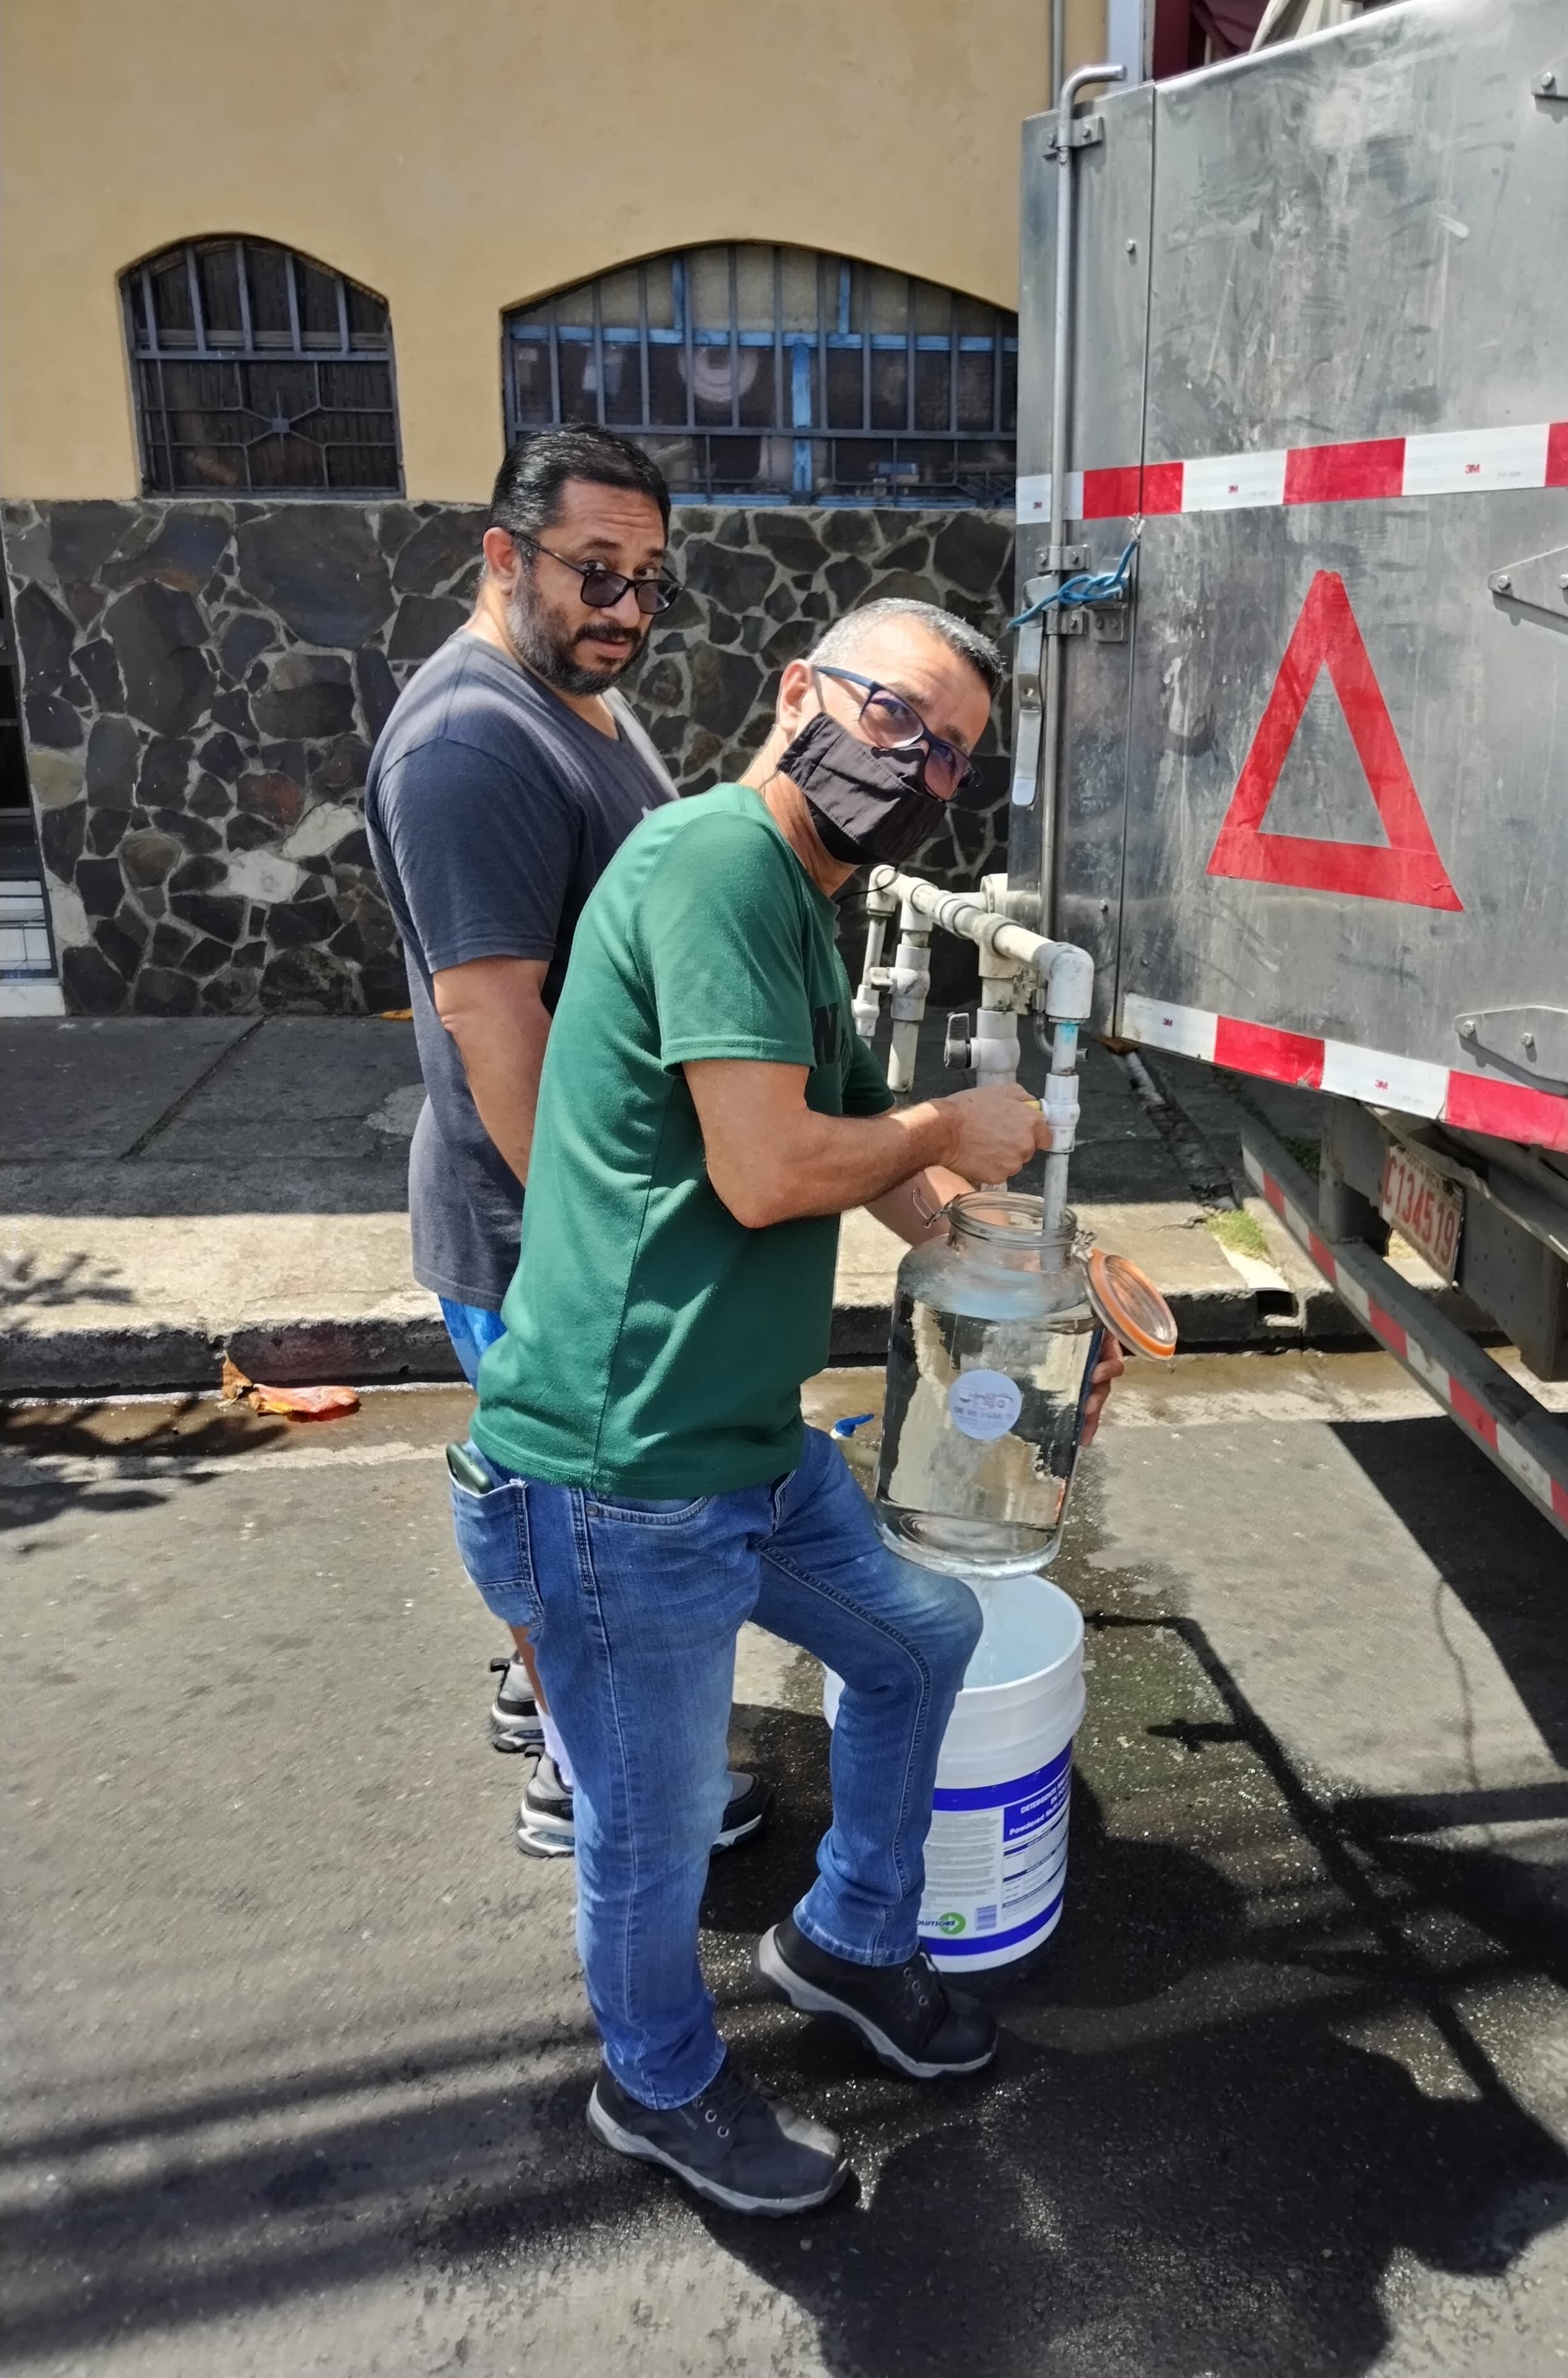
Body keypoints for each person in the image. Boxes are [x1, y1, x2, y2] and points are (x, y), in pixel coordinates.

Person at [453, 596, 1124, 2215]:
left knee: (920, 1640)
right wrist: (954, 1119)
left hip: (745, 1442)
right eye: (896, 717)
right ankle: (657, 2080)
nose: (916, 766)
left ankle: (848, 1935)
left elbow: (868, 1157)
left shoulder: (799, 902)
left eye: (949, 754)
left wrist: (1033, 1292)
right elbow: (770, 1171)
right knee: (653, 1824)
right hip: (619, 1465)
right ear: (800, 690)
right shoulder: (714, 865)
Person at [365, 424, 767, 1859]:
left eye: (651, 581)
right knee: (593, 1531)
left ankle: (538, 1689)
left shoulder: (577, 697)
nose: (627, 609)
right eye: (597, 572)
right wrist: (599, 1252)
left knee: (560, 1512)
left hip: (569, 1212)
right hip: (538, 1227)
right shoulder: (472, 745)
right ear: (503, 556)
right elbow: (495, 1024)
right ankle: (589, 1782)